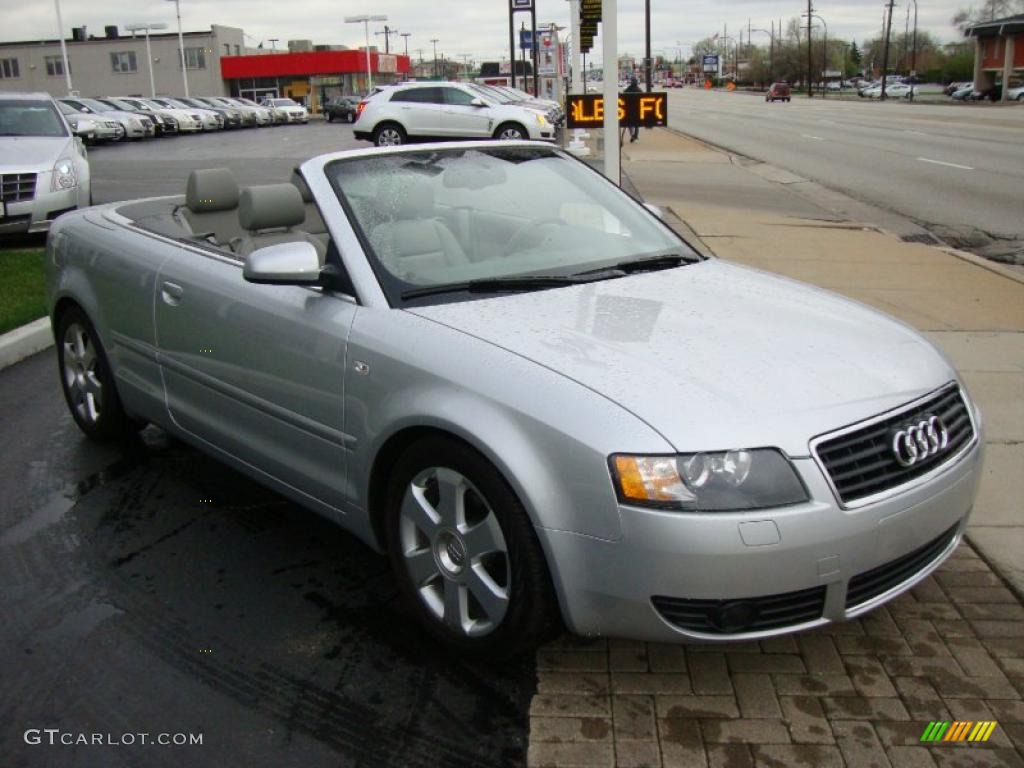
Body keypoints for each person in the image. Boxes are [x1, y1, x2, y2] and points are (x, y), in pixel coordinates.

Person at [624, 76, 642, 143]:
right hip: (637, 109)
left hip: (629, 109)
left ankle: (632, 135)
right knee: (636, 124)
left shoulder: (628, 89)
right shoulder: (639, 90)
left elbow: (623, 96)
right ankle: (635, 136)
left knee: (629, 124)